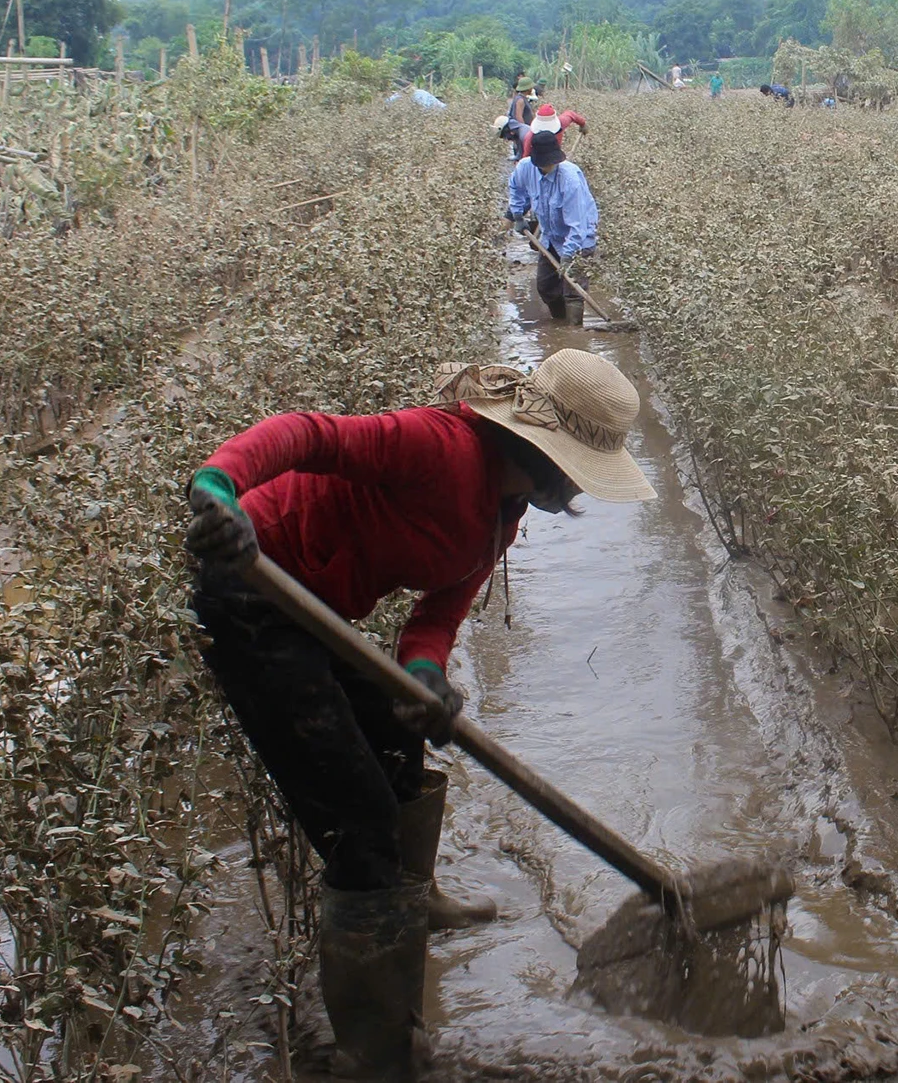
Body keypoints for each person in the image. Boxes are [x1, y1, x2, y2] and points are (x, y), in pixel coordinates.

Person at [183, 350, 655, 1080]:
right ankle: (376, 1053)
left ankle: (416, 899)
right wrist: (219, 488)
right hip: (254, 587)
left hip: (319, 609)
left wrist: (424, 677)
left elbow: (437, 616)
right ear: (554, 457)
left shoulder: (503, 515)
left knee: (401, 742)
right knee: (361, 825)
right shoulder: (437, 447)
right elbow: (308, 433)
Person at [505, 129, 598, 323]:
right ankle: (559, 322)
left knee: (573, 290)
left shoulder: (570, 180)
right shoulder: (525, 168)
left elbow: (578, 226)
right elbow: (515, 187)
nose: (550, 165)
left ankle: (574, 333)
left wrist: (568, 255)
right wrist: (517, 213)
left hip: (579, 240)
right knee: (546, 287)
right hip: (550, 237)